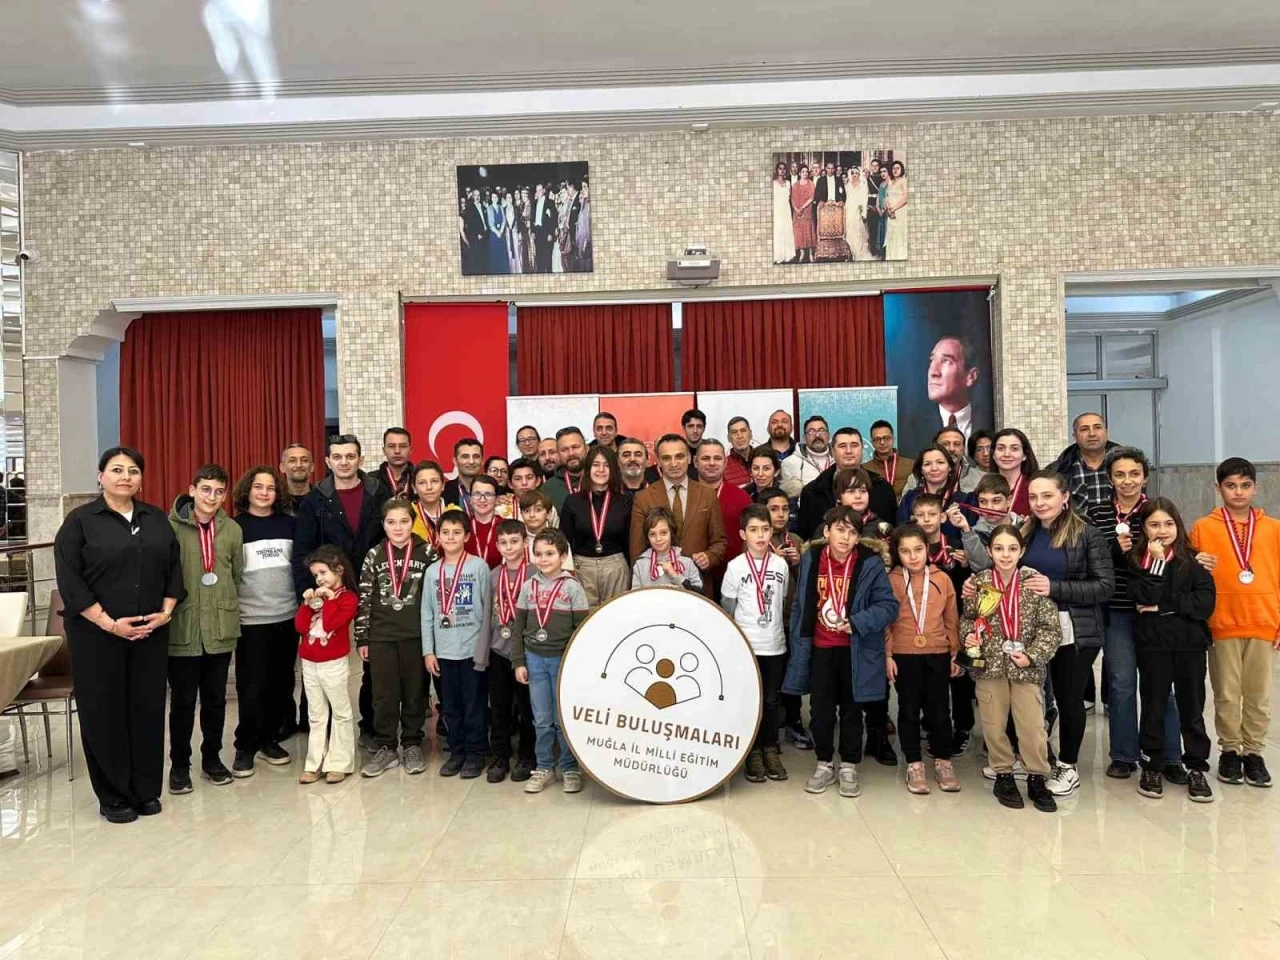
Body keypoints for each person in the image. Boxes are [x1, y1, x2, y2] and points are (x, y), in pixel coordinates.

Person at [54, 447, 184, 823]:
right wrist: (110, 623)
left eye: (133, 471)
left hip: (150, 632)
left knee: (147, 709)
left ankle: (145, 790)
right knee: (104, 712)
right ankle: (113, 795)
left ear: (141, 479)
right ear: (101, 477)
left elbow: (174, 570)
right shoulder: (79, 522)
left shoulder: (156, 519)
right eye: (116, 470)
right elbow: (70, 581)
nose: (125, 476)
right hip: (96, 635)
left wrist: (165, 614)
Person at [783, 506, 900, 797]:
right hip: (820, 647)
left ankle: (848, 765)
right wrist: (798, 639)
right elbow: (801, 604)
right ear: (827, 531)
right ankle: (824, 763)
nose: (845, 538)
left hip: (855, 650)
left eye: (852, 532)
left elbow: (889, 606)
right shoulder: (811, 558)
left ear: (859, 537)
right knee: (820, 711)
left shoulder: (869, 562)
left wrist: (858, 622)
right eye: (840, 530)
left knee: (852, 711)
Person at [1087, 446, 1182, 781]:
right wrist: (1113, 551)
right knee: (1122, 684)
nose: (1127, 481)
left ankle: (1170, 756)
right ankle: (1124, 755)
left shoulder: (1157, 511)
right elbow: (1090, 558)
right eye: (1119, 475)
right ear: (1109, 478)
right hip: (1117, 611)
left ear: (1145, 476)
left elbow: (1175, 553)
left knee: (1162, 685)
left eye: (1134, 474)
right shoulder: (1097, 513)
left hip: (1155, 612)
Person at [293, 434, 390, 749]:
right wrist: (310, 594)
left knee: (372, 661)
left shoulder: (379, 493)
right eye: (337, 457)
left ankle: (372, 727)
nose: (344, 462)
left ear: (361, 459)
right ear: (327, 461)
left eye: (350, 456)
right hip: (326, 595)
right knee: (321, 660)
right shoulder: (315, 500)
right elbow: (302, 551)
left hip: (373, 590)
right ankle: (317, 729)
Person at [1021, 470, 1114, 796]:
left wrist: (1054, 587)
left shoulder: (1087, 534)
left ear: (1065, 497)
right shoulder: (1026, 531)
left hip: (1072, 629)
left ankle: (1068, 765)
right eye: (1034, 497)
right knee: (1031, 697)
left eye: (1047, 496)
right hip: (1031, 628)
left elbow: (1104, 586)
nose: (1040, 503)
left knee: (1068, 698)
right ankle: (1034, 757)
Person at [1189, 457, 1279, 788]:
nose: (1238, 492)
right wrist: (1196, 563)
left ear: (1255, 487)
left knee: (1259, 694)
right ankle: (1229, 750)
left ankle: (1253, 752)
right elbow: (1189, 576)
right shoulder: (1203, 527)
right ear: (1219, 488)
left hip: (1264, 620)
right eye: (1230, 486)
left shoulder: (1274, 528)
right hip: (1222, 622)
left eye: (1245, 485)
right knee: (1226, 693)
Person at [960, 525, 1060, 812]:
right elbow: (968, 619)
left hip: (1025, 667)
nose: (1005, 555)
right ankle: (1003, 774)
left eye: (1012, 549)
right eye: (999, 549)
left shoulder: (1033, 582)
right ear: (989, 551)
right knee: (993, 723)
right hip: (989, 666)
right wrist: (969, 636)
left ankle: (1037, 776)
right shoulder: (980, 583)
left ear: (1022, 551)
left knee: (1032, 726)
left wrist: (1032, 655)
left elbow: (1050, 629)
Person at [1127, 499, 1216, 802]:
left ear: (1178, 525)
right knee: (1153, 706)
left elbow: (1204, 605)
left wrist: (1164, 607)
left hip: (1190, 646)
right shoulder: (1136, 561)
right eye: (1154, 524)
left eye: (1168, 524)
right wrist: (1156, 563)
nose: (1162, 531)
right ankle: (1152, 765)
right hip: (1153, 645)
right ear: (1144, 528)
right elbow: (1144, 596)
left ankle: (1196, 767)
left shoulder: (1195, 560)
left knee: (1192, 707)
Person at [167, 464, 244, 794]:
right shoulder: (169, 528)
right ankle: (179, 766)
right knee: (183, 702)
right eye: (206, 489)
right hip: (183, 627)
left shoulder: (232, 530)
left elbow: (236, 575)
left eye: (219, 491)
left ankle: (211, 759)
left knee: (215, 700)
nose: (212, 497)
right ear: (192, 490)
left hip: (220, 627)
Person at [356, 500, 435, 778]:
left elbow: (435, 596)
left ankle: (412, 743)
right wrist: (362, 637)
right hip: (381, 637)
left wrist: (434, 639)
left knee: (415, 692)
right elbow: (365, 597)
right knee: (384, 694)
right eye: (391, 522)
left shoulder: (427, 552)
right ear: (383, 524)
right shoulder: (375, 554)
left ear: (412, 522)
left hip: (416, 635)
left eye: (404, 521)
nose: (398, 528)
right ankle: (387, 746)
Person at [230, 465, 296, 778]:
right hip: (251, 619)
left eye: (270, 488)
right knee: (252, 685)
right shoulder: (234, 528)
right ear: (248, 490)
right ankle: (245, 745)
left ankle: (270, 739)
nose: (264, 493)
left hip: (287, 616)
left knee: (280, 683)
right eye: (258, 487)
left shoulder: (290, 524)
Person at [511, 529, 590, 794]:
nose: (543, 559)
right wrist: (518, 661)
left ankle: (569, 767)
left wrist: (577, 665)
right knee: (542, 717)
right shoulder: (528, 586)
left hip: (562, 662)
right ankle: (544, 765)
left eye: (550, 554)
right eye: (538, 554)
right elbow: (518, 628)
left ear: (563, 556)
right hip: (534, 659)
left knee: (562, 717)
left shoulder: (572, 587)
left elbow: (581, 630)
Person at [886, 524, 961, 793]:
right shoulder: (892, 580)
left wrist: (954, 652)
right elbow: (886, 622)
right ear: (897, 553)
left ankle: (943, 761)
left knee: (939, 710)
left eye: (918, 549)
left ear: (927, 549)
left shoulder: (942, 578)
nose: (913, 556)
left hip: (938, 653)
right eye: (905, 551)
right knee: (908, 710)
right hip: (904, 654)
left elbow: (951, 618)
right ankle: (914, 764)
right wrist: (888, 654)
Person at [720, 505, 790, 783]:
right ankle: (752, 753)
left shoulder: (781, 565)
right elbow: (728, 607)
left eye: (765, 529)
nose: (760, 535)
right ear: (743, 534)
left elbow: (781, 600)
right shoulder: (735, 567)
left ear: (772, 532)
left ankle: (770, 749)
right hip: (747, 647)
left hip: (774, 645)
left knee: (771, 701)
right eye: (753, 530)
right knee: (750, 700)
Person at [421, 509, 491, 779]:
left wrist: (484, 649)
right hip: (444, 652)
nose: (450, 537)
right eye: (445, 532)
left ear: (467, 536)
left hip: (473, 651)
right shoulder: (432, 572)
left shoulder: (478, 567)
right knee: (450, 706)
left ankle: (476, 753)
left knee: (474, 705)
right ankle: (457, 751)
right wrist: (428, 651)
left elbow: (487, 612)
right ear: (437, 537)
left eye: (456, 532)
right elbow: (427, 613)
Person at [912, 492, 974, 756]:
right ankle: (933, 724)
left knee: (960, 678)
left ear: (943, 517)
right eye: (921, 515)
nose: (927, 520)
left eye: (932, 514)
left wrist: (966, 565)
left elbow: (973, 582)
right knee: (930, 678)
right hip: (925, 626)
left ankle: (963, 728)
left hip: (958, 622)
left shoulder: (957, 547)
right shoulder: (912, 550)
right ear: (913, 519)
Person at [628, 434, 727, 596]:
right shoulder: (643, 498)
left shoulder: (708, 495)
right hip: (656, 588)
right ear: (658, 462)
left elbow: (720, 542)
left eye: (679, 456)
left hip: (698, 588)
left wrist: (709, 557)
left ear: (689, 458)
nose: (674, 463)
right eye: (667, 458)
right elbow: (637, 551)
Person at [295, 545, 358, 784]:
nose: (319, 579)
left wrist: (330, 600)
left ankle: (339, 762)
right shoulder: (315, 597)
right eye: (315, 575)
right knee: (316, 714)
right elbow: (301, 627)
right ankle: (315, 763)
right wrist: (306, 604)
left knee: (340, 712)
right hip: (309, 663)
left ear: (339, 570)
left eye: (323, 572)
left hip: (333, 663)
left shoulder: (348, 599)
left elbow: (332, 624)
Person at [485, 519, 536, 783]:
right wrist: (482, 655)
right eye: (503, 542)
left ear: (525, 543)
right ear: (497, 545)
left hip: (527, 653)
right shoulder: (494, 575)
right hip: (499, 650)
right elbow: (487, 616)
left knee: (528, 707)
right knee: (499, 707)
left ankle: (527, 755)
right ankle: (500, 755)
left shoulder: (535, 574)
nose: (509, 547)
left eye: (515, 541)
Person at [762, 487, 809, 748]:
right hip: (766, 620)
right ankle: (767, 729)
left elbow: (809, 583)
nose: (780, 514)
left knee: (793, 672)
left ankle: (794, 721)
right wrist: (772, 561)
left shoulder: (798, 541)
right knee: (770, 676)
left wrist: (798, 563)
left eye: (784, 509)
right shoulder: (758, 541)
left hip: (792, 618)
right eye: (773, 509)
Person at [560, 445, 631, 606]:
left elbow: (629, 542)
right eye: (596, 465)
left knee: (616, 612)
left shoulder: (625, 501)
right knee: (585, 616)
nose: (601, 470)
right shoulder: (573, 501)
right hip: (582, 567)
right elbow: (565, 541)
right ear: (587, 469)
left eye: (606, 465)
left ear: (614, 470)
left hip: (615, 566)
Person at [798, 428, 895, 540]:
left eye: (854, 445)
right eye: (842, 446)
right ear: (832, 451)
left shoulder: (882, 488)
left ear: (862, 449)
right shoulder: (812, 491)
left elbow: (891, 533)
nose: (849, 451)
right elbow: (805, 538)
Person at [695, 439, 754, 595]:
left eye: (717, 458)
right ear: (695, 462)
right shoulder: (684, 495)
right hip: (693, 578)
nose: (712, 463)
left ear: (725, 462)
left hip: (733, 580)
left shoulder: (742, 498)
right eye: (705, 458)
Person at [1049, 412, 1118, 513]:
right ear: (1075, 436)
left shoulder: (1126, 465)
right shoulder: (1058, 470)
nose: (1092, 434)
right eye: (1084, 429)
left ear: (1106, 432)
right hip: (1076, 523)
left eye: (1097, 427)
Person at [897, 444, 970, 531]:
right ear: (921, 470)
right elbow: (901, 531)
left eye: (940, 462)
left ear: (950, 467)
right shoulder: (909, 499)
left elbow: (971, 534)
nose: (934, 468)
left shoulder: (964, 500)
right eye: (927, 464)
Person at [952, 473, 1013, 573]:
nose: (989, 508)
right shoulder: (976, 533)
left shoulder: (1025, 524)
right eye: (983, 501)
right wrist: (966, 530)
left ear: (1009, 500)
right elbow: (981, 567)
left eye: (996, 501)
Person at [631, 507, 703, 591]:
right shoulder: (640, 565)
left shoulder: (687, 563)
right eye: (652, 534)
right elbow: (635, 596)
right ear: (647, 537)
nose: (658, 539)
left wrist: (675, 575)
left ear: (671, 533)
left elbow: (699, 594)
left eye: (664, 533)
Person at [927, 336, 980, 439]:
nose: (933, 372)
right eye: (931, 361)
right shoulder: (910, 427)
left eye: (946, 361)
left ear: (971, 376)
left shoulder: (991, 420)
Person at [780, 415, 833, 498]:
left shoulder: (839, 459)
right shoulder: (789, 463)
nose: (817, 435)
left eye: (822, 431)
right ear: (804, 438)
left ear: (829, 435)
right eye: (811, 431)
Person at [991, 428, 1037, 519]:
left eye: (1014, 449)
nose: (1007, 454)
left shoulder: (1033, 487)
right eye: (1001, 448)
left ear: (1024, 455)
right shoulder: (984, 486)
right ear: (993, 454)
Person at [409, 460, 452, 549]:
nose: (429, 487)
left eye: (434, 481)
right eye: (422, 482)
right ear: (414, 488)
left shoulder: (455, 513)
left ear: (443, 485)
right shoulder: (407, 515)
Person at [543, 426, 588, 510]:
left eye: (575, 447)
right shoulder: (548, 488)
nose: (571, 453)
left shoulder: (601, 480)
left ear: (587, 448)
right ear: (558, 454)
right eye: (564, 449)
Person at [866, 420, 913, 499]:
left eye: (886, 438)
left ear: (893, 439)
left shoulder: (910, 465)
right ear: (872, 443)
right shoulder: (865, 469)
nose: (882, 442)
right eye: (877, 439)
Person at [464, 474, 503, 568]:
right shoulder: (461, 527)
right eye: (477, 494)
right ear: (470, 499)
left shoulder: (507, 527)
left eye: (488, 494)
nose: (482, 500)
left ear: (497, 499)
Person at [443, 437, 484, 511]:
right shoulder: (444, 491)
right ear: (455, 461)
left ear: (482, 461)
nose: (471, 461)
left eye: (476, 457)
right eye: (465, 457)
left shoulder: (495, 491)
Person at [376, 427, 414, 500]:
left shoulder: (420, 478)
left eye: (403, 446)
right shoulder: (371, 481)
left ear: (410, 450)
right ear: (384, 450)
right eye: (391, 446)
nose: (397, 451)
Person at [790, 164, 816, 263]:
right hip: (797, 212)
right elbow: (792, 199)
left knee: (808, 231)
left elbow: (811, 198)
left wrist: (802, 207)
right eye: (803, 172)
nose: (805, 173)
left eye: (806, 172)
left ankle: (810, 254)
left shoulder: (811, 184)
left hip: (807, 210)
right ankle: (801, 253)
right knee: (799, 232)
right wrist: (796, 209)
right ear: (800, 173)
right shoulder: (795, 185)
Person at [883, 160, 909, 260]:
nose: (895, 170)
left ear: (902, 170)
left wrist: (894, 209)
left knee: (899, 236)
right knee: (891, 236)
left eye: (898, 168)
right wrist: (888, 209)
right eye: (893, 168)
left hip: (900, 212)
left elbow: (906, 198)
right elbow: (886, 197)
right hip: (890, 213)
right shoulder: (890, 181)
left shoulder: (903, 180)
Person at [844, 168, 870, 260]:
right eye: (853, 173)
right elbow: (846, 198)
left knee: (857, 233)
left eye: (856, 173)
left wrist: (863, 213)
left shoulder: (863, 185)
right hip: (848, 210)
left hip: (858, 211)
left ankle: (858, 254)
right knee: (849, 232)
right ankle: (850, 253)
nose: (854, 175)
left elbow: (864, 200)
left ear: (859, 174)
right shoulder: (847, 184)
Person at [772, 162, 795, 264]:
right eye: (780, 168)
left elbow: (790, 198)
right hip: (777, 211)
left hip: (786, 210)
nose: (782, 170)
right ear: (777, 170)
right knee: (778, 231)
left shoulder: (788, 183)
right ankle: (778, 255)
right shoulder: (773, 183)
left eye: (784, 169)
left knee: (786, 230)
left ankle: (787, 255)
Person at [725, 417, 754, 489]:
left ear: (750, 434)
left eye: (743, 431)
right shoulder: (723, 466)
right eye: (734, 432)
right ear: (729, 438)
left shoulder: (764, 460)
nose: (740, 436)